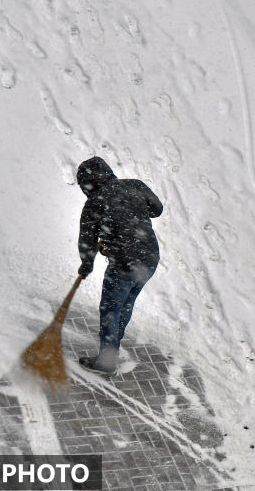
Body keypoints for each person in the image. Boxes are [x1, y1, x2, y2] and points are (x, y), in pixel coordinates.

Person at [75, 156, 163, 374]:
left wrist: (86, 264)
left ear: (89, 182)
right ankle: (112, 348)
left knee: (111, 310)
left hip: (124, 263)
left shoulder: (94, 202)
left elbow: (87, 240)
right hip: (149, 258)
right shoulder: (134, 185)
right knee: (125, 304)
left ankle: (107, 360)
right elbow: (157, 208)